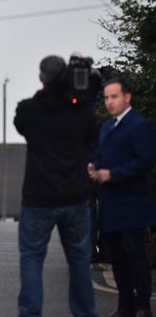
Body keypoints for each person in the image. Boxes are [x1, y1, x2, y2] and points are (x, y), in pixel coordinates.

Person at [14, 55, 98, 317]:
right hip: (75, 197)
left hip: (38, 199)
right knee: (79, 261)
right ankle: (85, 312)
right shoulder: (83, 111)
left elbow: (21, 125)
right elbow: (92, 140)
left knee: (32, 258)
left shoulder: (29, 110)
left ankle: (30, 313)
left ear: (42, 78)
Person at [88, 75, 156, 317]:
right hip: (110, 205)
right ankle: (124, 305)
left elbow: (145, 160)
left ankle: (143, 306)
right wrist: (95, 167)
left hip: (131, 204)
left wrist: (113, 174)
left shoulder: (139, 126)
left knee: (135, 256)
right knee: (116, 257)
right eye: (106, 97)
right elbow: (105, 158)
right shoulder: (107, 128)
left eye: (114, 96)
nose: (109, 102)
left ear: (127, 97)